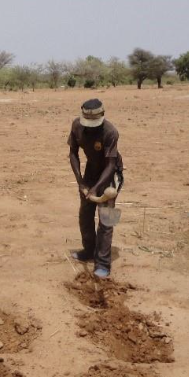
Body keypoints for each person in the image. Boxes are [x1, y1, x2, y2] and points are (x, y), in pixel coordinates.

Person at [68, 99, 124, 278]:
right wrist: (80, 181)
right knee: (85, 214)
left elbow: (111, 164)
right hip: (90, 171)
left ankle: (103, 263)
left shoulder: (110, 132)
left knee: (106, 221)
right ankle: (89, 251)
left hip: (110, 174)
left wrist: (97, 188)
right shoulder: (77, 126)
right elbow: (73, 153)